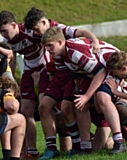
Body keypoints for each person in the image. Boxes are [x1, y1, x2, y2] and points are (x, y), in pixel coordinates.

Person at [23, 7, 101, 159]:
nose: (35, 33)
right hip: (58, 73)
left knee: (69, 108)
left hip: (75, 74)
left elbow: (83, 33)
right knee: (44, 107)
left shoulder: (63, 33)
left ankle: (80, 144)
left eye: (36, 29)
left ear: (45, 22)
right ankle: (51, 148)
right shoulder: (51, 46)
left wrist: (95, 41)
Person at [41, 26, 127, 155]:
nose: (47, 50)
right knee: (79, 105)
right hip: (94, 72)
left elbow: (100, 71)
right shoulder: (59, 54)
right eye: (46, 46)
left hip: (111, 67)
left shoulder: (74, 52)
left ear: (60, 42)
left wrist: (87, 95)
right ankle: (84, 147)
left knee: (102, 98)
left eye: (50, 46)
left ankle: (119, 142)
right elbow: (67, 76)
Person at [0, 10, 51, 159]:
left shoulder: (31, 31)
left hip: (45, 68)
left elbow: (50, 41)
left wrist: (48, 70)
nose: (3, 34)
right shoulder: (9, 43)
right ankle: (32, 151)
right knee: (25, 111)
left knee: (46, 107)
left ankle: (55, 146)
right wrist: (11, 81)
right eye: (1, 32)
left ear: (14, 25)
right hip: (28, 72)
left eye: (5, 30)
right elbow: (11, 59)